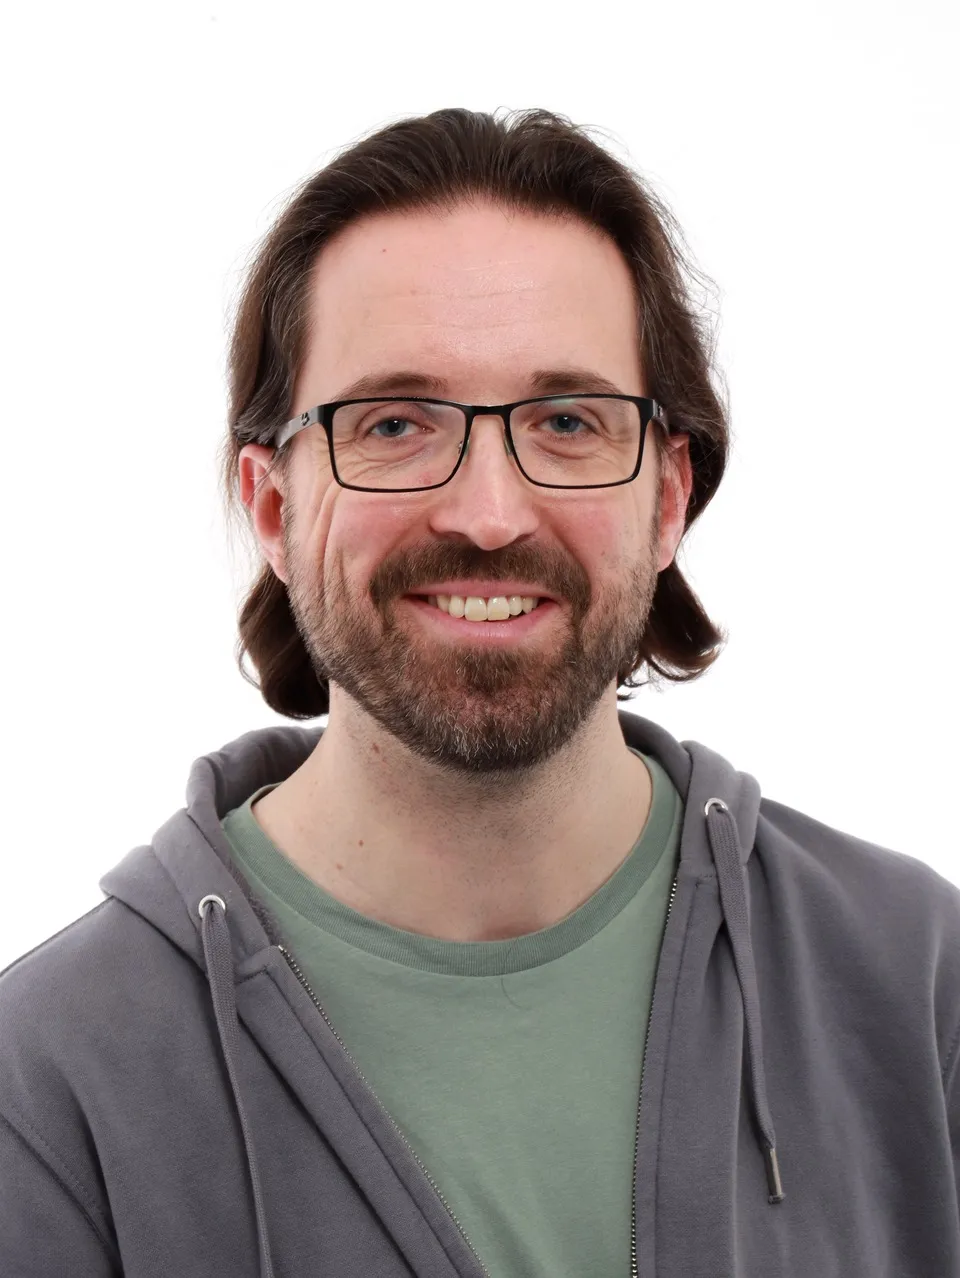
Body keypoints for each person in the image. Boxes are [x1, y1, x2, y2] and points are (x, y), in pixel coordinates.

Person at [1, 107, 958, 1278]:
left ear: (667, 500)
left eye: (567, 421)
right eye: (395, 424)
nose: (490, 514)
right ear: (274, 509)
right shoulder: (46, 1081)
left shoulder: (917, 981)